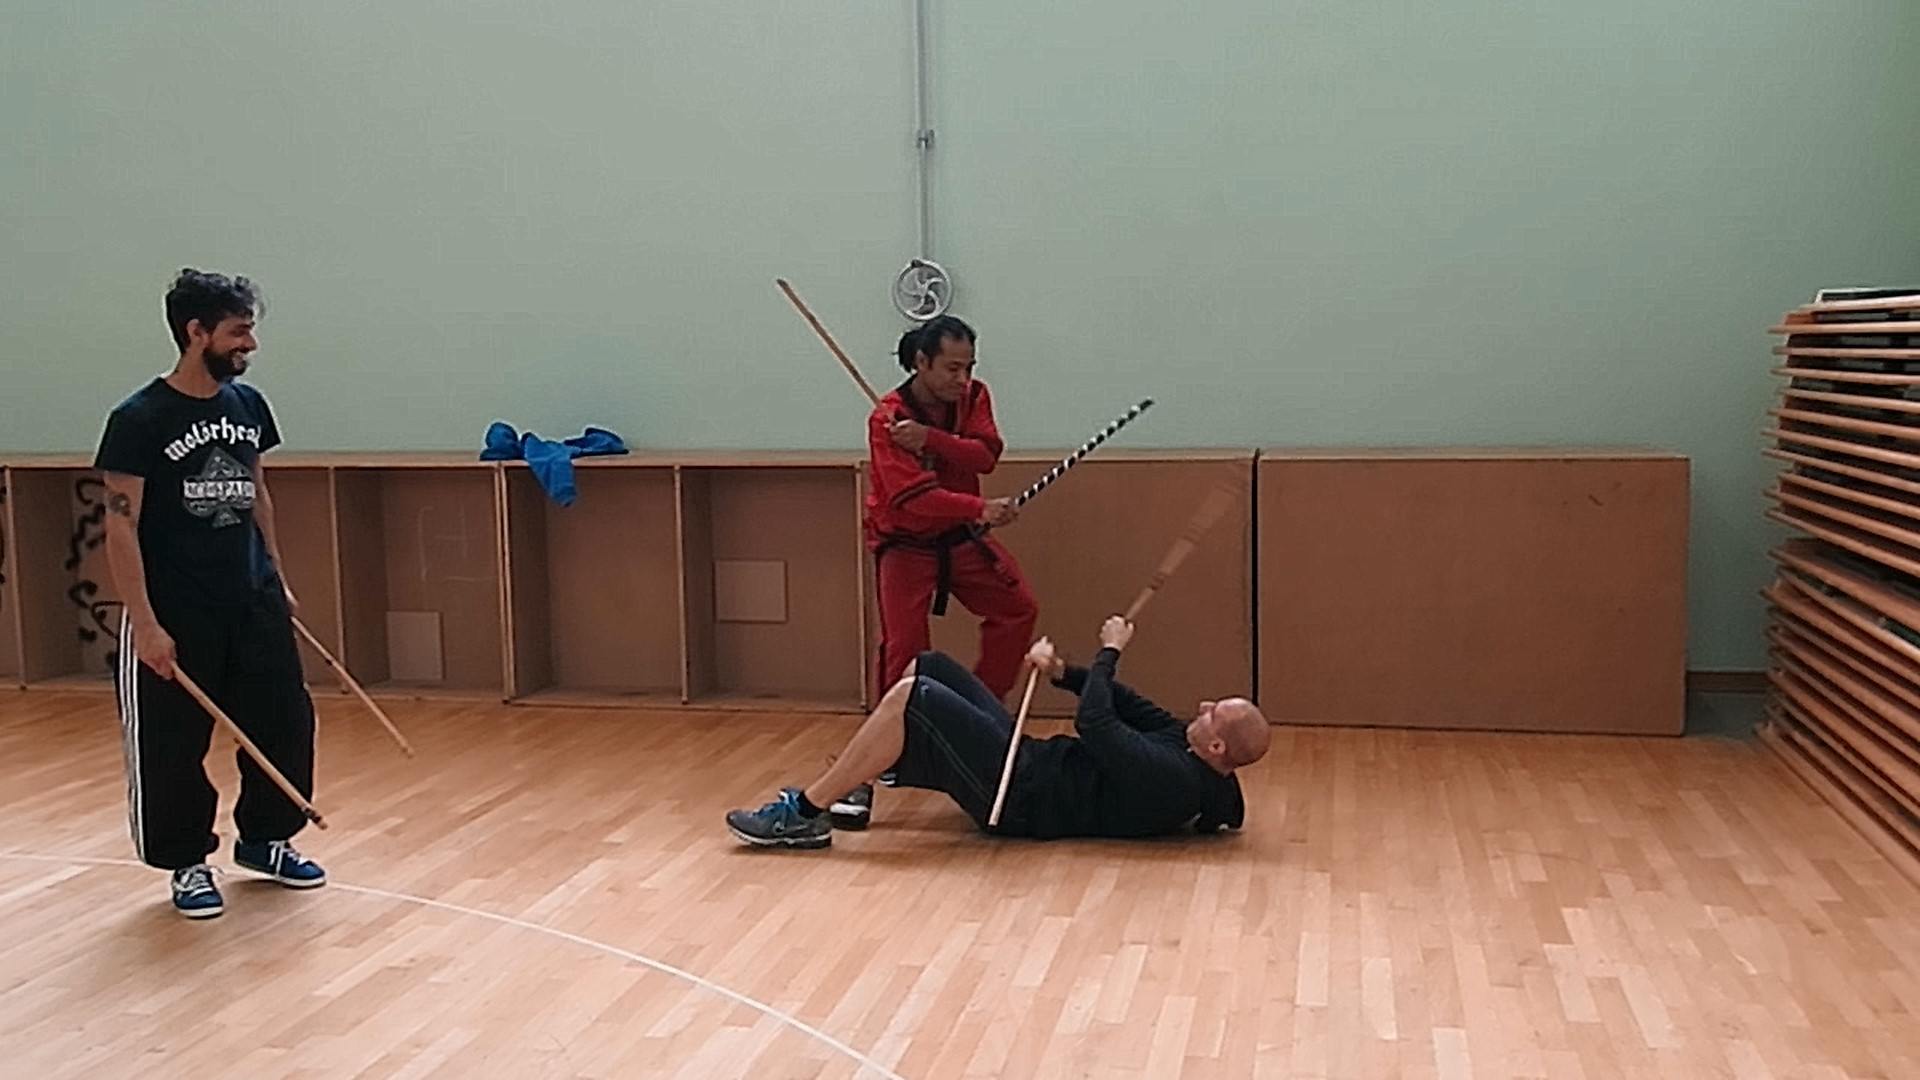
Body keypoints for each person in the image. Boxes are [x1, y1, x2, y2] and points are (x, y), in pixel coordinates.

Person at [94, 268, 324, 919]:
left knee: (284, 721)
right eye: (238, 331)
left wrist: (277, 576)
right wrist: (146, 623)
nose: (250, 344)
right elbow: (121, 525)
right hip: (176, 607)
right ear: (196, 332)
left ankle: (266, 839)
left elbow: (257, 492)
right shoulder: (139, 419)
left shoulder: (247, 407)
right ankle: (186, 862)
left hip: (251, 598)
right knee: (172, 743)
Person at [726, 615, 1271, 848]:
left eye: (1213, 713)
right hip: (1028, 762)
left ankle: (803, 816)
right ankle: (857, 782)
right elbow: (1127, 704)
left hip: (1019, 799)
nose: (1202, 706)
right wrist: (1064, 671)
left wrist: (1110, 650)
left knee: (916, 697)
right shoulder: (1188, 749)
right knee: (931, 665)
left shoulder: (1176, 782)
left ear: (1217, 746)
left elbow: (1099, 725)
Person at [836, 315, 1040, 830]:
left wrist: (931, 439)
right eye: (951, 368)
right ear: (921, 362)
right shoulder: (886, 418)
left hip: (961, 538)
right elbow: (913, 498)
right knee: (904, 652)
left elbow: (986, 455)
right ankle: (876, 761)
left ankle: (977, 716)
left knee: (1017, 609)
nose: (962, 378)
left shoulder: (973, 397)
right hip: (906, 544)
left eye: (968, 367)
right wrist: (978, 508)